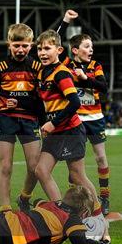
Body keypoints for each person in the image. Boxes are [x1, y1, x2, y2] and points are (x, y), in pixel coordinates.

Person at [35, 30, 102, 216]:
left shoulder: (61, 73)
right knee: (41, 170)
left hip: (70, 131)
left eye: (47, 48)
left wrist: (52, 124)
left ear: (58, 50)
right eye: (39, 49)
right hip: (55, 132)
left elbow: (75, 102)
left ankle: (97, 215)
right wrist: (44, 124)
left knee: (77, 175)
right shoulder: (42, 73)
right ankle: (61, 213)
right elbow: (44, 104)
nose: (42, 53)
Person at [57, 10, 111, 214]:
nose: (91, 50)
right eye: (87, 46)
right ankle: (78, 200)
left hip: (95, 118)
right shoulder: (66, 64)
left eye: (92, 47)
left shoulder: (95, 66)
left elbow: (104, 87)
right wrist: (65, 21)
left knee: (100, 159)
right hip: (75, 119)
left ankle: (104, 198)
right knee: (75, 165)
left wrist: (85, 79)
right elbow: (55, 41)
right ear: (75, 50)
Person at [0, 24, 43, 212]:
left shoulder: (36, 66)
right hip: (5, 120)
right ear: (8, 43)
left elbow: (41, 99)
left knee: (35, 167)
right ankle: (5, 209)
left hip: (30, 120)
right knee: (5, 166)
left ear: (31, 45)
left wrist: (44, 124)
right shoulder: (0, 67)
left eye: (24, 46)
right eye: (16, 45)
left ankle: (24, 197)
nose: (20, 50)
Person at [0, 184, 110, 244]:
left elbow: (38, 200)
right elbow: (82, 243)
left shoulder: (49, 204)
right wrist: (103, 243)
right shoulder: (72, 219)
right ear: (83, 210)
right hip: (1, 232)